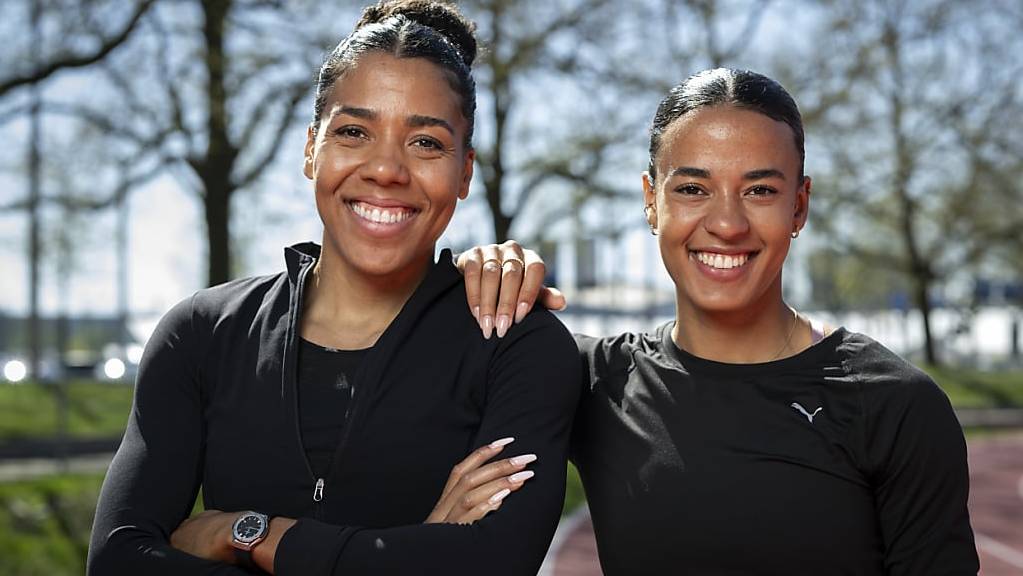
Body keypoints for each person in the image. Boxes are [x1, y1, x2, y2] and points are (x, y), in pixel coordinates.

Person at [86, 2, 579, 574]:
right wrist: (407, 553)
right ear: (309, 149)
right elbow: (118, 559)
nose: (386, 169)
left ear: (465, 171)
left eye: (426, 143)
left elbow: (492, 562)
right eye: (353, 132)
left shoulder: (517, 345)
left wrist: (251, 535)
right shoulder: (202, 334)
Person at [452, 68, 979, 575]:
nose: (726, 224)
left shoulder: (893, 404)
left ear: (799, 205)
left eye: (760, 191)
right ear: (650, 200)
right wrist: (478, 275)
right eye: (692, 189)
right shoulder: (591, 379)